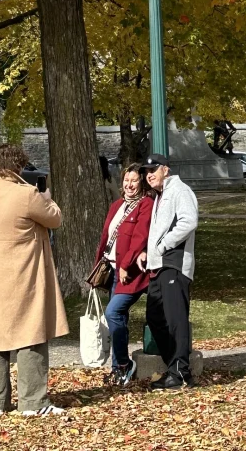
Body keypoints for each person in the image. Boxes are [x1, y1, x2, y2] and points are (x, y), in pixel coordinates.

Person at [0, 142, 68, 417]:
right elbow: (55, 220)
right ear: (18, 165)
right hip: (25, 272)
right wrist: (46, 197)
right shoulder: (27, 195)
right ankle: (34, 401)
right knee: (31, 333)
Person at [137, 153, 199, 390]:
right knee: (155, 317)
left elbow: (189, 221)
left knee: (175, 320)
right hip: (158, 265)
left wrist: (163, 245)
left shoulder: (179, 190)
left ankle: (181, 371)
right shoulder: (160, 195)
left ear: (166, 169)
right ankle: (174, 367)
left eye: (153, 170)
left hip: (174, 263)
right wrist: (148, 251)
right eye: (146, 172)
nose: (148, 175)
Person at [93, 164, 153, 386]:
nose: (129, 185)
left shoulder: (145, 205)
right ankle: (117, 368)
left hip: (130, 273)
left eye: (134, 181)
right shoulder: (117, 205)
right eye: (126, 180)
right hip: (110, 268)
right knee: (118, 317)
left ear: (142, 183)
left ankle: (123, 365)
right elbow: (106, 238)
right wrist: (98, 267)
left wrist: (126, 264)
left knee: (113, 313)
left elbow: (139, 238)